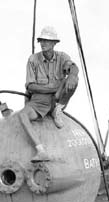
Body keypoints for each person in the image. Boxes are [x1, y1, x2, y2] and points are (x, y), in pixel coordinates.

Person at [19, 26, 79, 162]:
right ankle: (41, 150)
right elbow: (30, 85)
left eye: (47, 41)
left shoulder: (62, 57)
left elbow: (73, 67)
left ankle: (58, 109)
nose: (43, 43)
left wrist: (73, 75)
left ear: (54, 43)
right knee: (22, 116)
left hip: (57, 99)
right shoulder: (33, 59)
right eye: (41, 40)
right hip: (39, 101)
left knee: (74, 80)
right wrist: (52, 88)